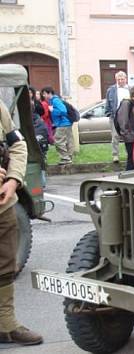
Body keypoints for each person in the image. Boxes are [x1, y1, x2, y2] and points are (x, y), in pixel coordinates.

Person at [0, 100, 43, 345]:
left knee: (5, 266)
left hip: (3, 203)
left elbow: (17, 144)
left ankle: (6, 324)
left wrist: (14, 178)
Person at [41, 87, 73, 165]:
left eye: (44, 93)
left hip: (62, 124)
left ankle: (65, 158)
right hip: (66, 123)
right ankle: (69, 158)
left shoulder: (55, 101)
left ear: (49, 93)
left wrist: (53, 110)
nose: (43, 95)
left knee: (58, 140)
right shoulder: (53, 101)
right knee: (68, 141)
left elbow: (63, 111)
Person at [115, 84, 134, 170]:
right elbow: (122, 120)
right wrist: (126, 134)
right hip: (130, 136)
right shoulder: (126, 103)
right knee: (131, 158)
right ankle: (128, 176)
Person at [104, 71, 130, 163]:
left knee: (128, 136)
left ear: (125, 79)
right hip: (115, 116)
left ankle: (129, 155)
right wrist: (109, 114)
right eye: (118, 79)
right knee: (115, 136)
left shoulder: (130, 89)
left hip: (128, 116)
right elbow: (107, 103)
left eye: (122, 79)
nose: (120, 81)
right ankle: (115, 155)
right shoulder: (111, 90)